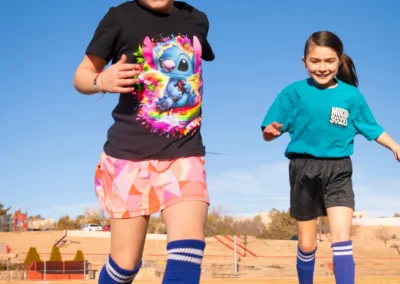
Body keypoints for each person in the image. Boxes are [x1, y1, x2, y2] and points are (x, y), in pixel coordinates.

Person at [73, 0, 215, 283]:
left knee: (188, 251)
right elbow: (81, 77)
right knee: (125, 265)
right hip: (127, 156)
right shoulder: (119, 18)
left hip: (183, 153)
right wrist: (101, 80)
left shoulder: (196, 20)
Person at [260, 30, 400, 284]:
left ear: (339, 60)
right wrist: (270, 133)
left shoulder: (351, 96)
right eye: (315, 61)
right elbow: (269, 131)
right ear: (304, 62)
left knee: (342, 239)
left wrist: (395, 146)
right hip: (303, 169)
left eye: (329, 61)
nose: (322, 68)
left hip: (339, 170)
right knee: (306, 244)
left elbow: (372, 128)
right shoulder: (293, 93)